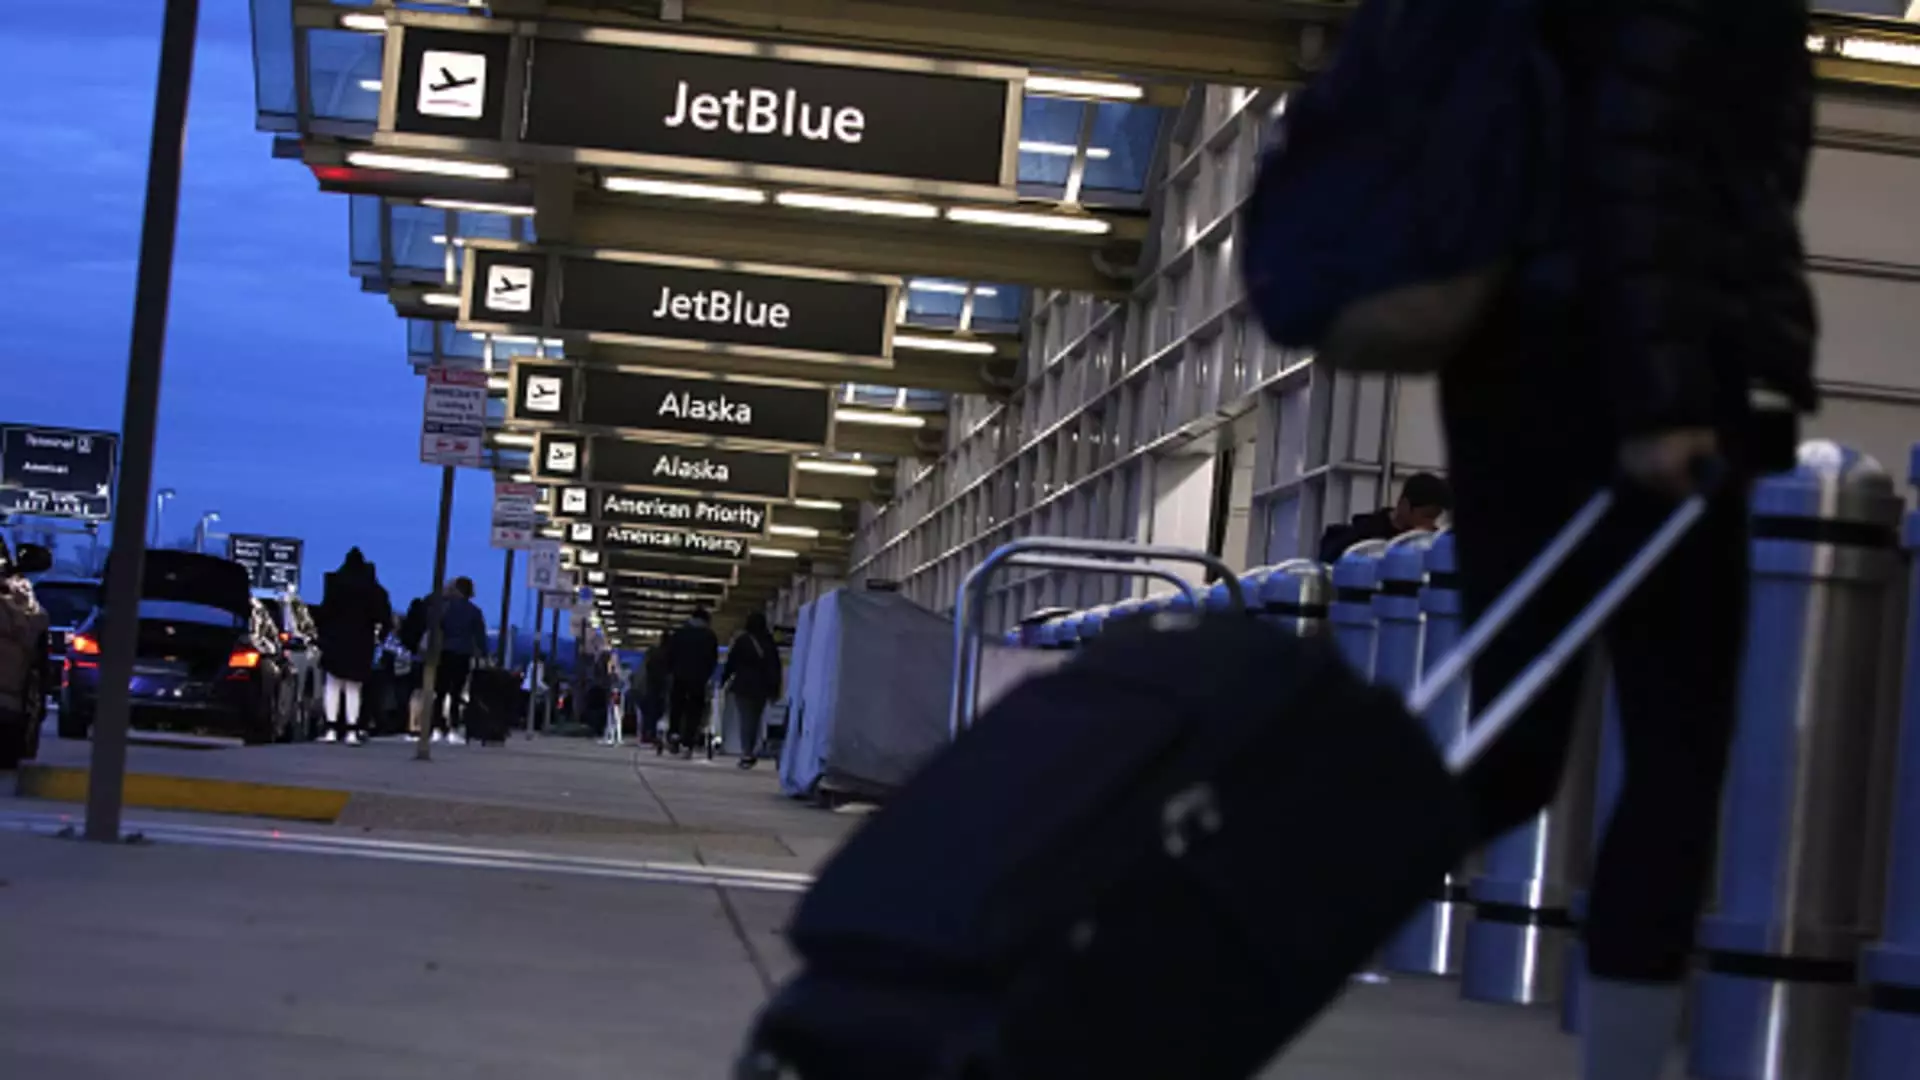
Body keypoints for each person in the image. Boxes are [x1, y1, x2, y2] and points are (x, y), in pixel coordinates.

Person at [1436, 6, 1816, 1080]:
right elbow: (1643, 162)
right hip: (1634, 390)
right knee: (1675, 755)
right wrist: (1667, 401)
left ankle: (1245, 902)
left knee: (1512, 752)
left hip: (1508, 366)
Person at [313, 549, 392, 746]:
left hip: (335, 639)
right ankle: (352, 730)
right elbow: (384, 619)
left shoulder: (335, 584)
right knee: (354, 687)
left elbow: (324, 612)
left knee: (332, 684)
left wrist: (322, 637)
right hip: (361, 641)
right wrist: (379, 639)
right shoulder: (375, 591)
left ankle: (331, 728)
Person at [1316, 472, 1452, 564]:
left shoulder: (1431, 543)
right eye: (1426, 516)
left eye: (1435, 518)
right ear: (1404, 506)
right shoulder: (1365, 535)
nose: (1430, 524)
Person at [720, 611, 783, 769]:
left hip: (743, 685)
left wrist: (724, 680)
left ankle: (747, 752)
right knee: (755, 719)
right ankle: (750, 749)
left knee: (745, 719)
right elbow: (775, 667)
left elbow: (731, 662)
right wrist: (775, 689)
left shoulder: (742, 641)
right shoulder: (769, 642)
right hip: (762, 687)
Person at [428, 577, 487, 745]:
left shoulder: (445, 608)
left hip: (445, 651)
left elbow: (436, 625)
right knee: (456, 692)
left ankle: (437, 727)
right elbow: (479, 637)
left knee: (440, 692)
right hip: (463, 653)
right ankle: (453, 727)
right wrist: (482, 653)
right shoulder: (474, 611)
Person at [658, 607, 719, 758]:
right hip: (698, 680)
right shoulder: (710, 636)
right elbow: (712, 660)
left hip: (679, 677)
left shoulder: (680, 633)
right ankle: (688, 741)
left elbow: (669, 655)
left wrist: (670, 671)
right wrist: (706, 675)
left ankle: (674, 734)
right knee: (694, 711)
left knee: (676, 707)